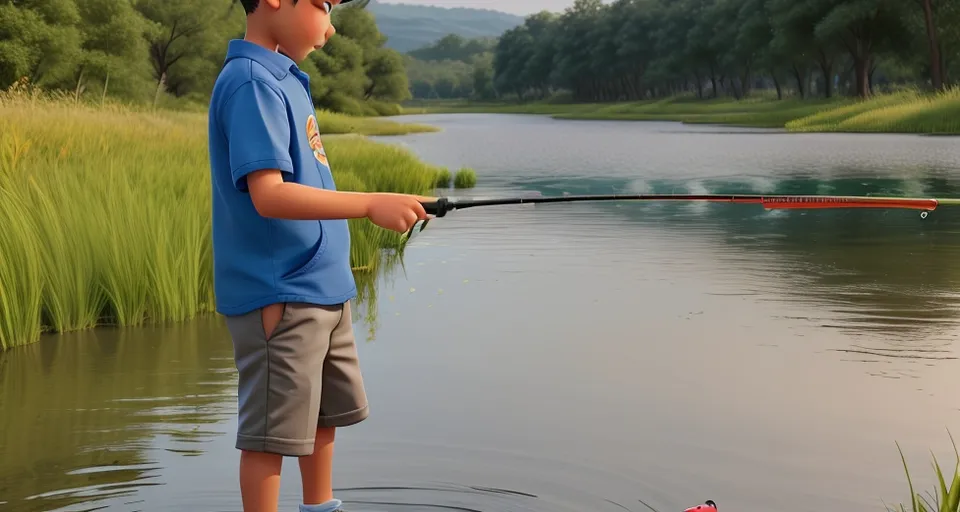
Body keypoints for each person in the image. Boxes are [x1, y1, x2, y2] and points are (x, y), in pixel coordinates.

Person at [206, 1, 431, 511]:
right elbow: (270, 195)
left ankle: (321, 508)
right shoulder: (250, 82)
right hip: (280, 293)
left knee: (323, 418)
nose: (330, 28)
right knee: (271, 436)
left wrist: (390, 205)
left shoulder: (285, 78)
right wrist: (370, 204)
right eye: (324, 6)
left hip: (325, 289)